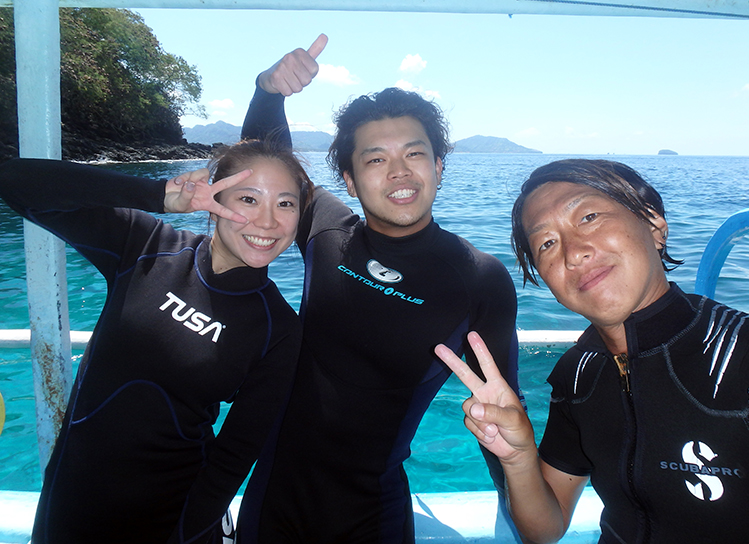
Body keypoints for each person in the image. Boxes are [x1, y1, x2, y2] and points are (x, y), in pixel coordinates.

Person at [234, 37, 523, 543]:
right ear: (349, 179)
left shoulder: (478, 278)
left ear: (438, 166)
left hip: (372, 515)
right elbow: (266, 163)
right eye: (375, 160)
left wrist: (520, 516)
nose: (399, 172)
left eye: (415, 154)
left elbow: (500, 414)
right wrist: (268, 91)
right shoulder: (326, 230)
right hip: (272, 499)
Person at [436, 158, 749, 543]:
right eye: (547, 243)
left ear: (654, 225)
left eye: (589, 217)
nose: (573, 253)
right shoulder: (579, 375)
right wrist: (519, 457)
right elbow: (544, 531)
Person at [0, 138, 313, 544]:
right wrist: (157, 195)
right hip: (71, 503)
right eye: (249, 199)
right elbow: (14, 181)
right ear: (213, 198)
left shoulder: (278, 328)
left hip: (171, 517)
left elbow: (236, 453)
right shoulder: (146, 246)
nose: (268, 222)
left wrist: (187, 534)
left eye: (285, 204)